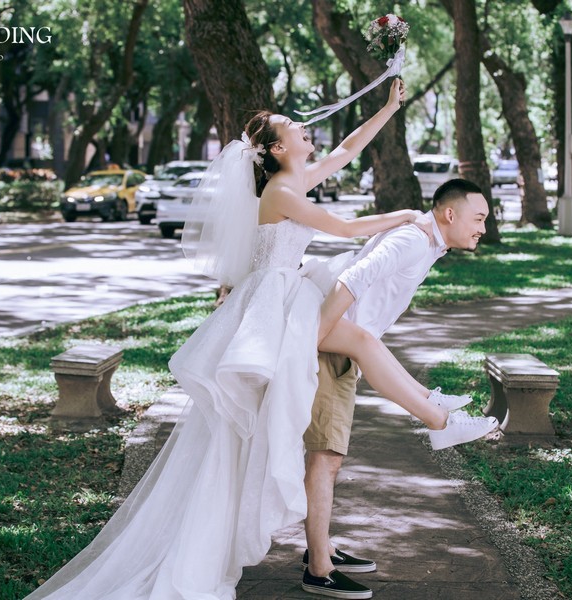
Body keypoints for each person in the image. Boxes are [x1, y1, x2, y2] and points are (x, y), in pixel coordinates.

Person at [25, 80, 493, 600]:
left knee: (357, 342)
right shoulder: (283, 191)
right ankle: (436, 417)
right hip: (277, 300)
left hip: (286, 291)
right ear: (274, 149)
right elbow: (341, 228)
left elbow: (347, 149)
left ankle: (434, 412)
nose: (304, 129)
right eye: (293, 128)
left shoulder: (297, 178)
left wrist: (387, 108)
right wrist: (405, 216)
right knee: (357, 340)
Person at [299, 178, 494, 599]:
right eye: (478, 219)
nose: (482, 228)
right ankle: (318, 568)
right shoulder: (413, 240)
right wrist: (315, 335)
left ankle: (321, 548)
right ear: (449, 214)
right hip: (330, 345)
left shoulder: (426, 241)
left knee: (327, 456)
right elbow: (354, 277)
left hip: (343, 341)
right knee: (325, 457)